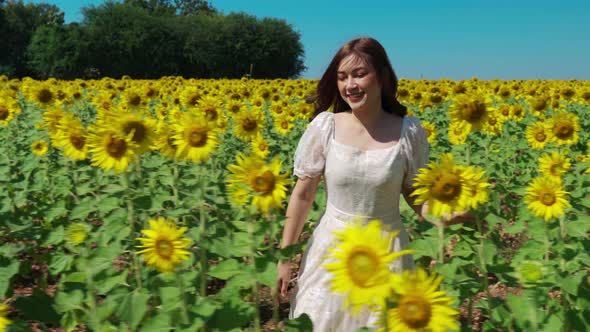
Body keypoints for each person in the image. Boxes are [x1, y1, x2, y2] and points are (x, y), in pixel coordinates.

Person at [275, 37, 472, 331]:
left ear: (381, 75)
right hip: (333, 251)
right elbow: (303, 196)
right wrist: (285, 257)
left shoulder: (409, 133)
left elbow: (419, 201)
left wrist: (453, 215)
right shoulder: (325, 127)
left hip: (387, 251)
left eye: (359, 74)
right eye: (342, 77)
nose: (349, 85)